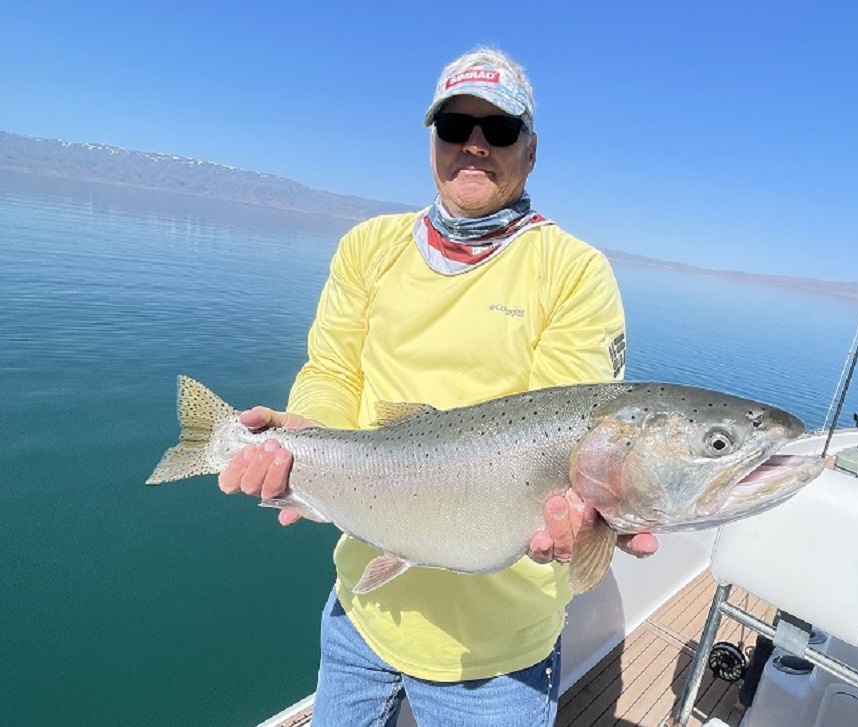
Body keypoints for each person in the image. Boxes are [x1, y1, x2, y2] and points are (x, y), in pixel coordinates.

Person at [218, 46, 657, 726]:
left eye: (498, 130)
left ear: (530, 151)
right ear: (432, 144)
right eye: (455, 127)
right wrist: (306, 439)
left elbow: (562, 432)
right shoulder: (369, 245)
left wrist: (596, 511)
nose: (474, 146)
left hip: (498, 656)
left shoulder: (574, 272)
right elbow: (332, 368)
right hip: (361, 608)